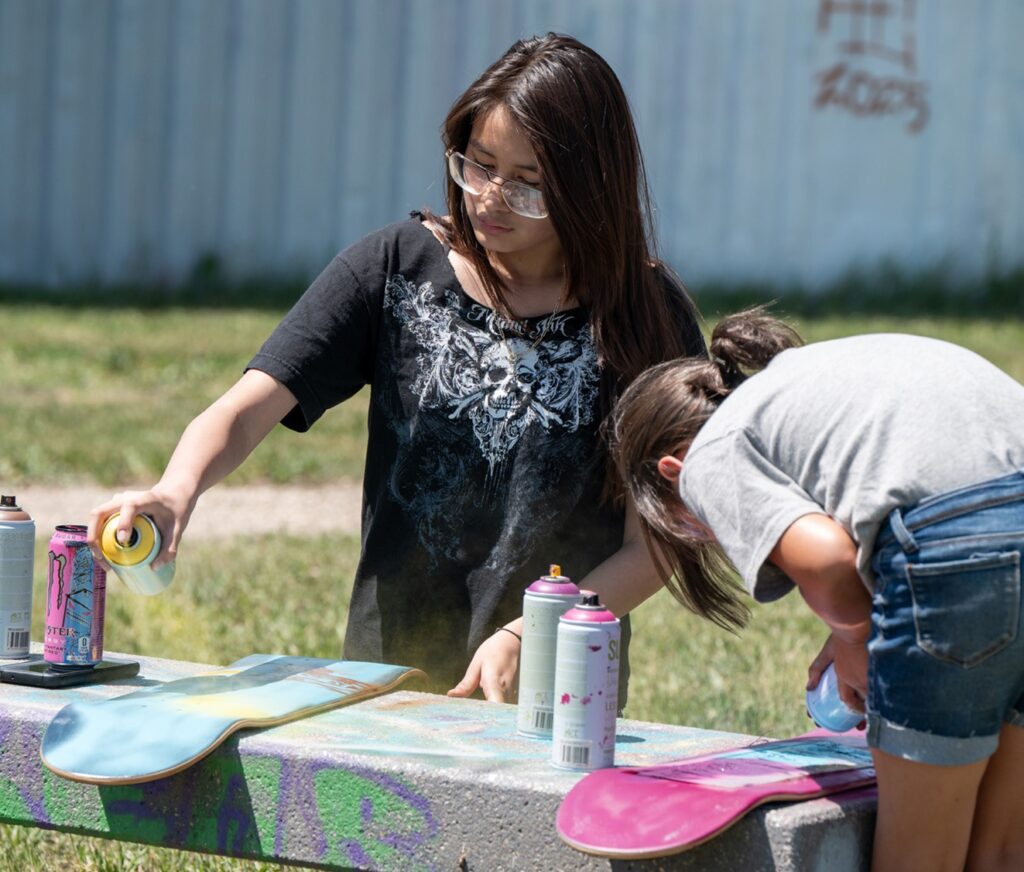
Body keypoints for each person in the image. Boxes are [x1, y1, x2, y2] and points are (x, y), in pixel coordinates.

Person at [87, 33, 705, 702]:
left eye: (528, 184)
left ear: (591, 188)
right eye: (479, 165)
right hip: (387, 681)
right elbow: (245, 410)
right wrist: (176, 490)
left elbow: (663, 540)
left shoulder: (646, 317)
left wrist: (537, 632)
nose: (491, 197)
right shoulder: (394, 269)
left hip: (562, 692)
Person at [610, 306, 1024, 871]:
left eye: (689, 527)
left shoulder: (709, 454)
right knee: (1002, 850)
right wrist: (872, 617)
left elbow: (829, 561)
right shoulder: (808, 387)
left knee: (920, 856)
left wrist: (855, 636)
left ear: (670, 473)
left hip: (956, 555)